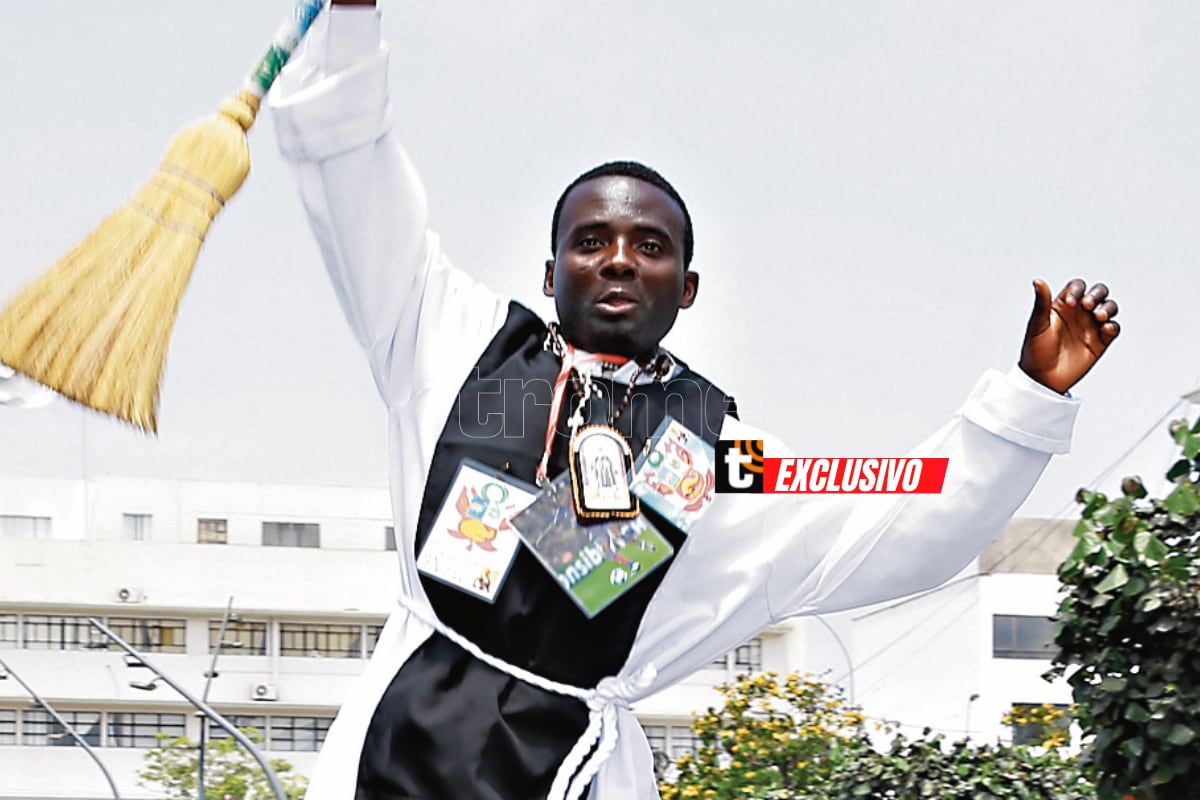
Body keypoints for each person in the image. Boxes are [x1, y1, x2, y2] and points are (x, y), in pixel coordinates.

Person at [270, 4, 1121, 799]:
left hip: (579, 770)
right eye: (589, 240)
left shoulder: (718, 457)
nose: (617, 260)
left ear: (686, 288)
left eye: (650, 245)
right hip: (384, 750)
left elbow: (897, 507)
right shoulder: (452, 343)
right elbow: (357, 184)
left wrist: (1026, 398)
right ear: (549, 271)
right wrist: (349, 21)